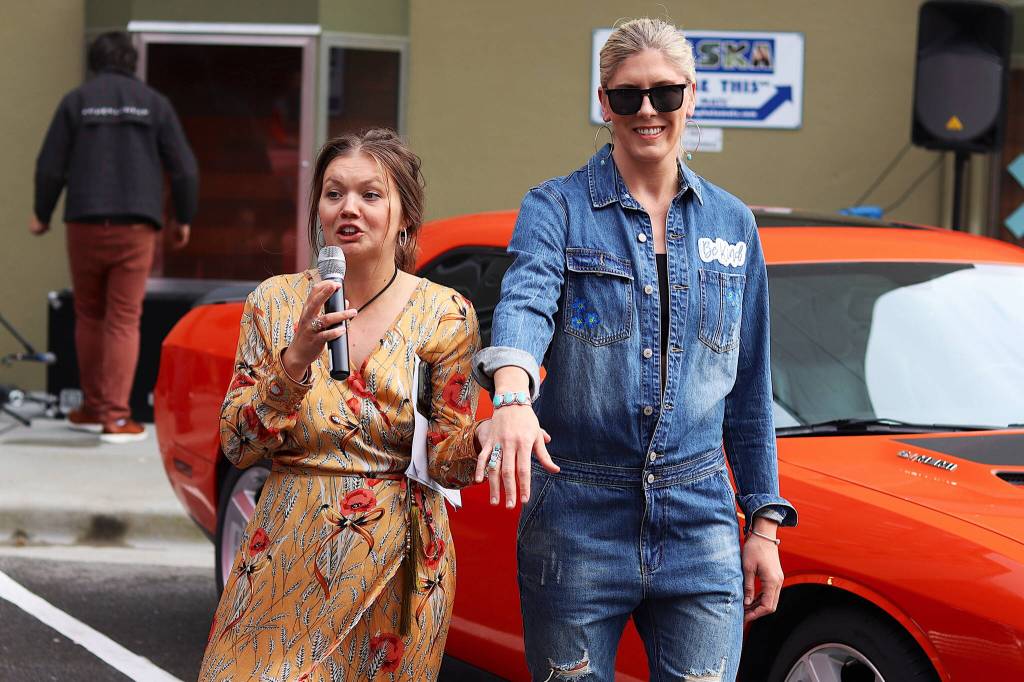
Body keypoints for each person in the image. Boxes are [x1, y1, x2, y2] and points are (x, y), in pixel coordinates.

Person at [471, 18, 797, 681]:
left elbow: (750, 386)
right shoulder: (557, 207)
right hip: (576, 513)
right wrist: (511, 393)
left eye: (664, 94)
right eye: (627, 96)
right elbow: (526, 303)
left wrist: (763, 524)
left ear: (691, 96)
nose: (647, 111)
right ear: (604, 103)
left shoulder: (733, 225)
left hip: (699, 518)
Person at [199, 129, 486, 681]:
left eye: (370, 195)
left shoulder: (445, 313)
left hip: (397, 560)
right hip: (284, 548)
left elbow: (448, 462)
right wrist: (295, 361)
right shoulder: (276, 302)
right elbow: (238, 443)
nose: (348, 208)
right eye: (334, 194)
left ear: (405, 216)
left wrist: (483, 441)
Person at [30, 31, 197, 443]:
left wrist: (42, 213)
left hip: (85, 220)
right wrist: (183, 218)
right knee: (124, 318)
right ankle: (117, 418)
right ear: (132, 61)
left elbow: (50, 165)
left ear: (94, 62)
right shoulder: (155, 104)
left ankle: (91, 407)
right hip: (136, 225)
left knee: (89, 314)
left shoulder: (77, 101)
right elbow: (184, 168)